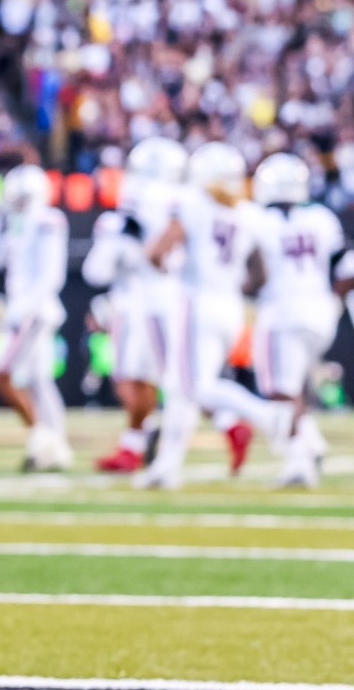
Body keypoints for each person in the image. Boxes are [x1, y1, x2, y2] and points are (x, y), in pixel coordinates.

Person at [143, 143, 285, 487]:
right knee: (180, 387)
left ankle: (267, 415)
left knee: (194, 387)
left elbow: (157, 251)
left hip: (198, 301)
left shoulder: (193, 203)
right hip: (230, 306)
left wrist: (169, 268)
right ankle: (166, 468)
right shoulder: (248, 213)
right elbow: (260, 273)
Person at [83, 137, 187, 474]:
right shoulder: (183, 201)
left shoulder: (139, 200)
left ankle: (227, 424)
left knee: (144, 378)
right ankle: (135, 443)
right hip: (173, 297)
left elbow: (96, 271)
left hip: (141, 301)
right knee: (155, 378)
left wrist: (120, 244)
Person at [245, 153, 337, 488]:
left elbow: (256, 277)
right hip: (320, 311)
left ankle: (300, 459)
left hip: (282, 311)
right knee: (295, 387)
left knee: (281, 391)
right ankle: (312, 442)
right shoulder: (321, 217)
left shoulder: (257, 219)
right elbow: (344, 264)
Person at [0, 164, 72, 472]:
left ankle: (45, 440)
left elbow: (51, 274)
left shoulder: (47, 220)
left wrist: (26, 307)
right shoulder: (16, 224)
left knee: (0, 373)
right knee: (39, 382)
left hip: (34, 311)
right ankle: (55, 445)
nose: (16, 203)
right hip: (25, 310)